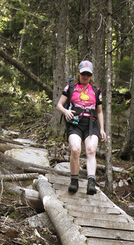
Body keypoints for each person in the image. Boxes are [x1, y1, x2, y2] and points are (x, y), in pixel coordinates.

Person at [55, 60, 106, 195]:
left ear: (91, 75)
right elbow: (59, 105)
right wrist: (65, 111)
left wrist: (102, 129)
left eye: (88, 74)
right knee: (76, 149)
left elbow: (99, 111)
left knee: (91, 150)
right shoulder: (70, 87)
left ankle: (91, 182)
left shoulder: (96, 91)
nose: (85, 76)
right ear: (79, 72)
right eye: (83, 73)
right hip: (75, 123)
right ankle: (74, 180)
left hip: (91, 124)